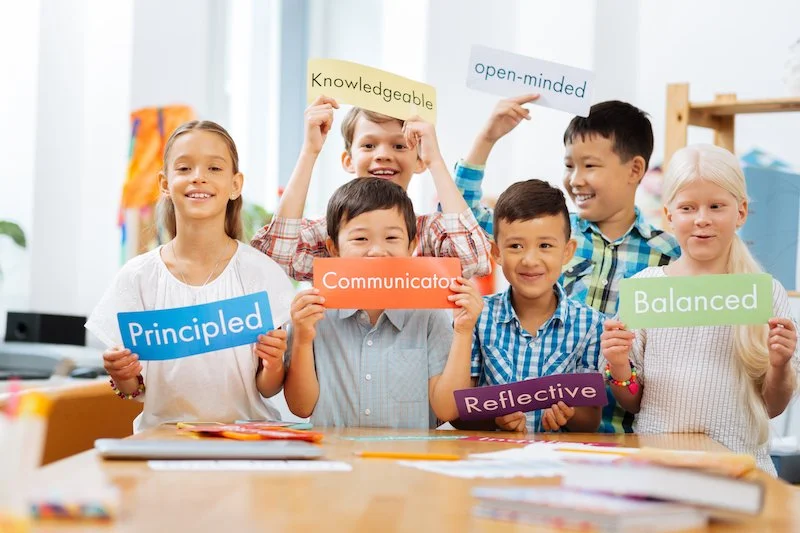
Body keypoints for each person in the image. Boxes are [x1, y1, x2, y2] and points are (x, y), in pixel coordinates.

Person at [454, 96, 681, 433]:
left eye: (589, 166)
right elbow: (463, 218)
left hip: (624, 433)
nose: (575, 179)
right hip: (542, 432)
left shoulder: (667, 254)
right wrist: (487, 138)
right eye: (569, 165)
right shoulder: (549, 234)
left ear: (634, 170)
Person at [85, 121, 296, 433]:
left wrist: (274, 362)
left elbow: (267, 388)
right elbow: (133, 390)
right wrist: (121, 374)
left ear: (236, 185)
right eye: (185, 168)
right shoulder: (138, 276)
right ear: (165, 183)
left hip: (247, 441)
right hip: (163, 441)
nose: (199, 177)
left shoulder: (260, 272)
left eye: (214, 168)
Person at [601, 144, 799, 474]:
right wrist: (619, 364)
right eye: (688, 208)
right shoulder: (646, 288)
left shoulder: (763, 293)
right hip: (660, 469)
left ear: (741, 212)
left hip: (742, 471)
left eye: (716, 206)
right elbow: (633, 401)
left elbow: (773, 407)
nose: (702, 219)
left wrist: (779, 365)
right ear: (669, 215)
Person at [282, 177, 481, 428]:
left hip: (409, 461)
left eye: (391, 238)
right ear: (334, 249)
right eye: (360, 239)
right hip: (336, 459)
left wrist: (464, 332)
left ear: (411, 247)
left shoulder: (429, 314)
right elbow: (301, 408)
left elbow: (447, 409)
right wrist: (302, 338)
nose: (376, 251)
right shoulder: (312, 314)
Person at [251, 96, 492, 281]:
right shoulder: (332, 232)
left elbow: (474, 260)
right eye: (368, 145)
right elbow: (274, 260)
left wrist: (435, 161)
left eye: (399, 146)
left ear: (419, 161)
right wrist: (309, 151)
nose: (383, 155)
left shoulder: (427, 232)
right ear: (348, 160)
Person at [455, 179, 603, 433]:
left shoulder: (591, 324)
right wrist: (494, 419)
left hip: (559, 463)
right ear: (497, 252)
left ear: (567, 252)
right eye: (515, 246)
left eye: (545, 246)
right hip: (493, 460)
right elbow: (458, 412)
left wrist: (569, 415)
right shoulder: (477, 318)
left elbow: (591, 420)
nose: (530, 259)